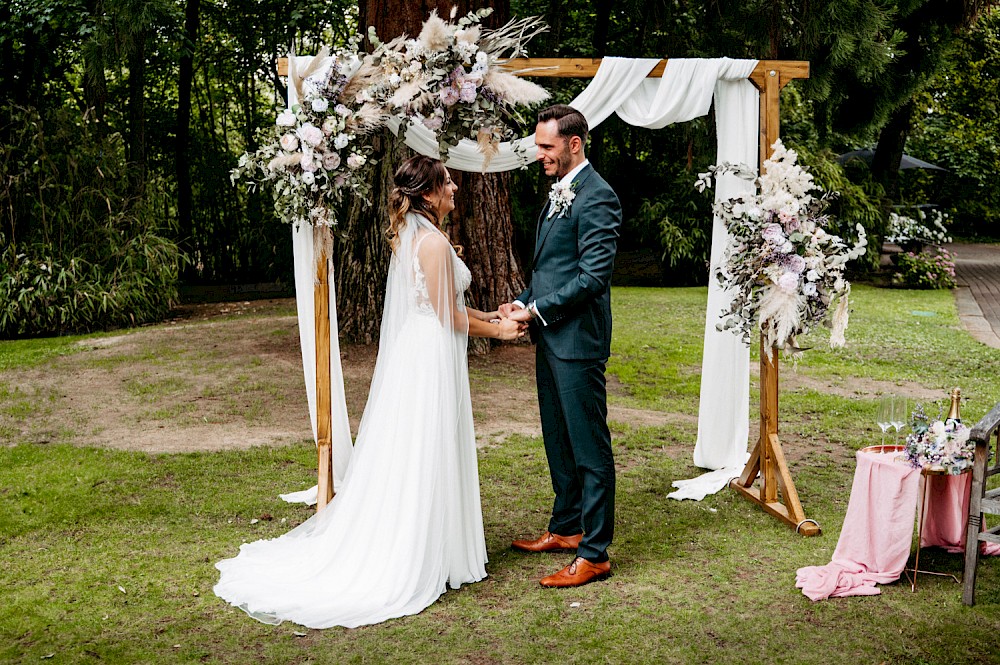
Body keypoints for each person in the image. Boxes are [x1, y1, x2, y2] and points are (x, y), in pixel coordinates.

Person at [214, 155, 524, 629]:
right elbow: (447, 316)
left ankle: (431, 541)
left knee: (417, 448)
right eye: (447, 183)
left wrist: (494, 319)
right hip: (430, 353)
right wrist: (498, 332)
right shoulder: (434, 244)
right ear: (428, 193)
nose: (456, 189)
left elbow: (448, 305)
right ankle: (420, 551)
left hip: (421, 347)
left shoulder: (416, 234)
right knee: (426, 446)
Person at [500, 104, 622, 588]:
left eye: (546, 146)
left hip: (577, 341)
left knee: (589, 447)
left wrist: (536, 311)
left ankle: (595, 554)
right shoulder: (560, 191)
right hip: (551, 337)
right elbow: (551, 269)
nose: (539, 154)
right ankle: (568, 527)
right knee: (558, 438)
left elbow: (592, 277)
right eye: (538, 146)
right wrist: (521, 301)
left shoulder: (598, 197)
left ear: (575, 144)